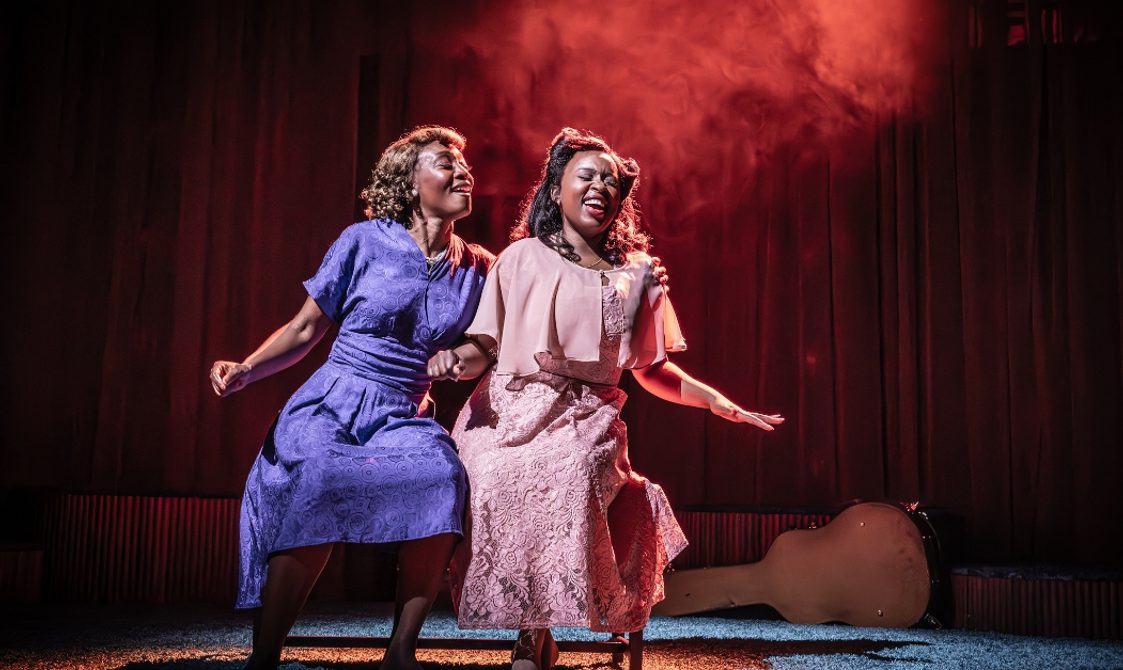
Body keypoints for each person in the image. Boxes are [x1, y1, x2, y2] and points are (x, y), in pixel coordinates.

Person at [427, 128, 784, 670]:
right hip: (508, 406)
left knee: (566, 471)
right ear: (555, 190)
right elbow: (486, 345)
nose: (600, 187)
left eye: (612, 182)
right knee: (492, 470)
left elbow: (652, 369)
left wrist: (716, 402)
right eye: (586, 176)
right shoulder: (520, 257)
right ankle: (534, 633)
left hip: (584, 415)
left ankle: (531, 638)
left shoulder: (638, 272)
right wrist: (456, 361)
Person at [209, 125, 492, 670]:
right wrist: (247, 368)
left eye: (464, 166)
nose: (463, 173)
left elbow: (486, 342)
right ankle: (264, 655)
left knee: (443, 477)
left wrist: (461, 360)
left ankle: (401, 650)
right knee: (317, 476)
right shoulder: (363, 241)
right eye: (444, 163)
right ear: (410, 182)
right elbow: (304, 329)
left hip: (404, 409)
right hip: (335, 399)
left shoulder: (480, 266)